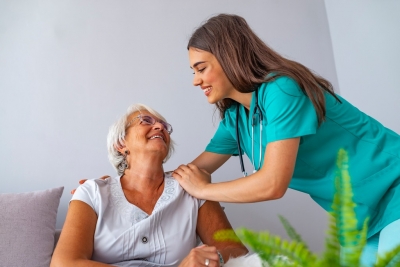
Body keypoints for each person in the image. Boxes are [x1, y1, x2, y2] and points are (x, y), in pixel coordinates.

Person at [169, 14, 400, 266]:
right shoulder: (236, 119)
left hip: (393, 189)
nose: (195, 80)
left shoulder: (282, 90)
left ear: (228, 57)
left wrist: (203, 189)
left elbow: (273, 183)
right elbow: (194, 172)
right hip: (358, 219)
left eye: (201, 68)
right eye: (193, 71)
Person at [52, 103, 248, 267]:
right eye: (146, 121)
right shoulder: (92, 192)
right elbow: (65, 263)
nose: (160, 127)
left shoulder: (192, 188)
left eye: (164, 126)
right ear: (121, 144)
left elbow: (237, 251)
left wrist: (211, 259)